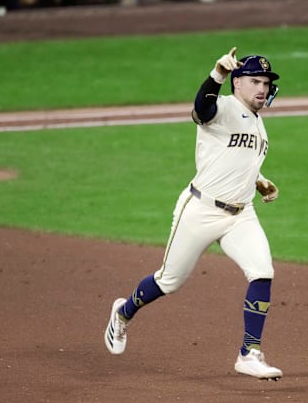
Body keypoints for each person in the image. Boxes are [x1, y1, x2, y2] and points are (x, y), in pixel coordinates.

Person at [104, 47, 283, 380]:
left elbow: (233, 160)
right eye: (255, 81)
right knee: (168, 281)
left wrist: (259, 182)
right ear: (238, 83)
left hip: (241, 215)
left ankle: (249, 353)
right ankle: (123, 313)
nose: (262, 88)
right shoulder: (224, 108)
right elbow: (201, 109)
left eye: (266, 83)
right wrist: (217, 74)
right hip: (200, 210)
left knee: (262, 272)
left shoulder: (259, 124)